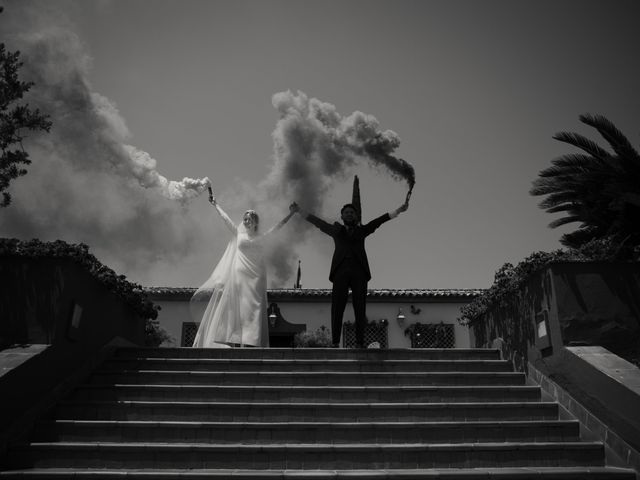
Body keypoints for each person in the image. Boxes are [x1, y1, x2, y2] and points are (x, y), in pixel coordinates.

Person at [291, 200, 408, 348]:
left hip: (359, 272)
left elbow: (378, 222)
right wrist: (299, 211)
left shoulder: (362, 230)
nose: (349, 214)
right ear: (342, 216)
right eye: (346, 212)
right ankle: (335, 342)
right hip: (340, 272)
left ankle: (359, 342)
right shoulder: (335, 230)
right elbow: (318, 222)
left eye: (352, 213)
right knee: (337, 307)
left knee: (360, 308)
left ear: (356, 216)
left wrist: (398, 210)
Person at [191, 189, 296, 347]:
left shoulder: (262, 237)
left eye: (249, 219)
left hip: (256, 277)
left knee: (254, 307)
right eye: (244, 219)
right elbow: (226, 220)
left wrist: (291, 214)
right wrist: (216, 205)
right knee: (237, 308)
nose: (246, 221)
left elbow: (278, 227)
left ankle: (250, 341)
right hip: (239, 275)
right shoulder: (238, 235)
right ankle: (234, 339)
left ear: (255, 222)